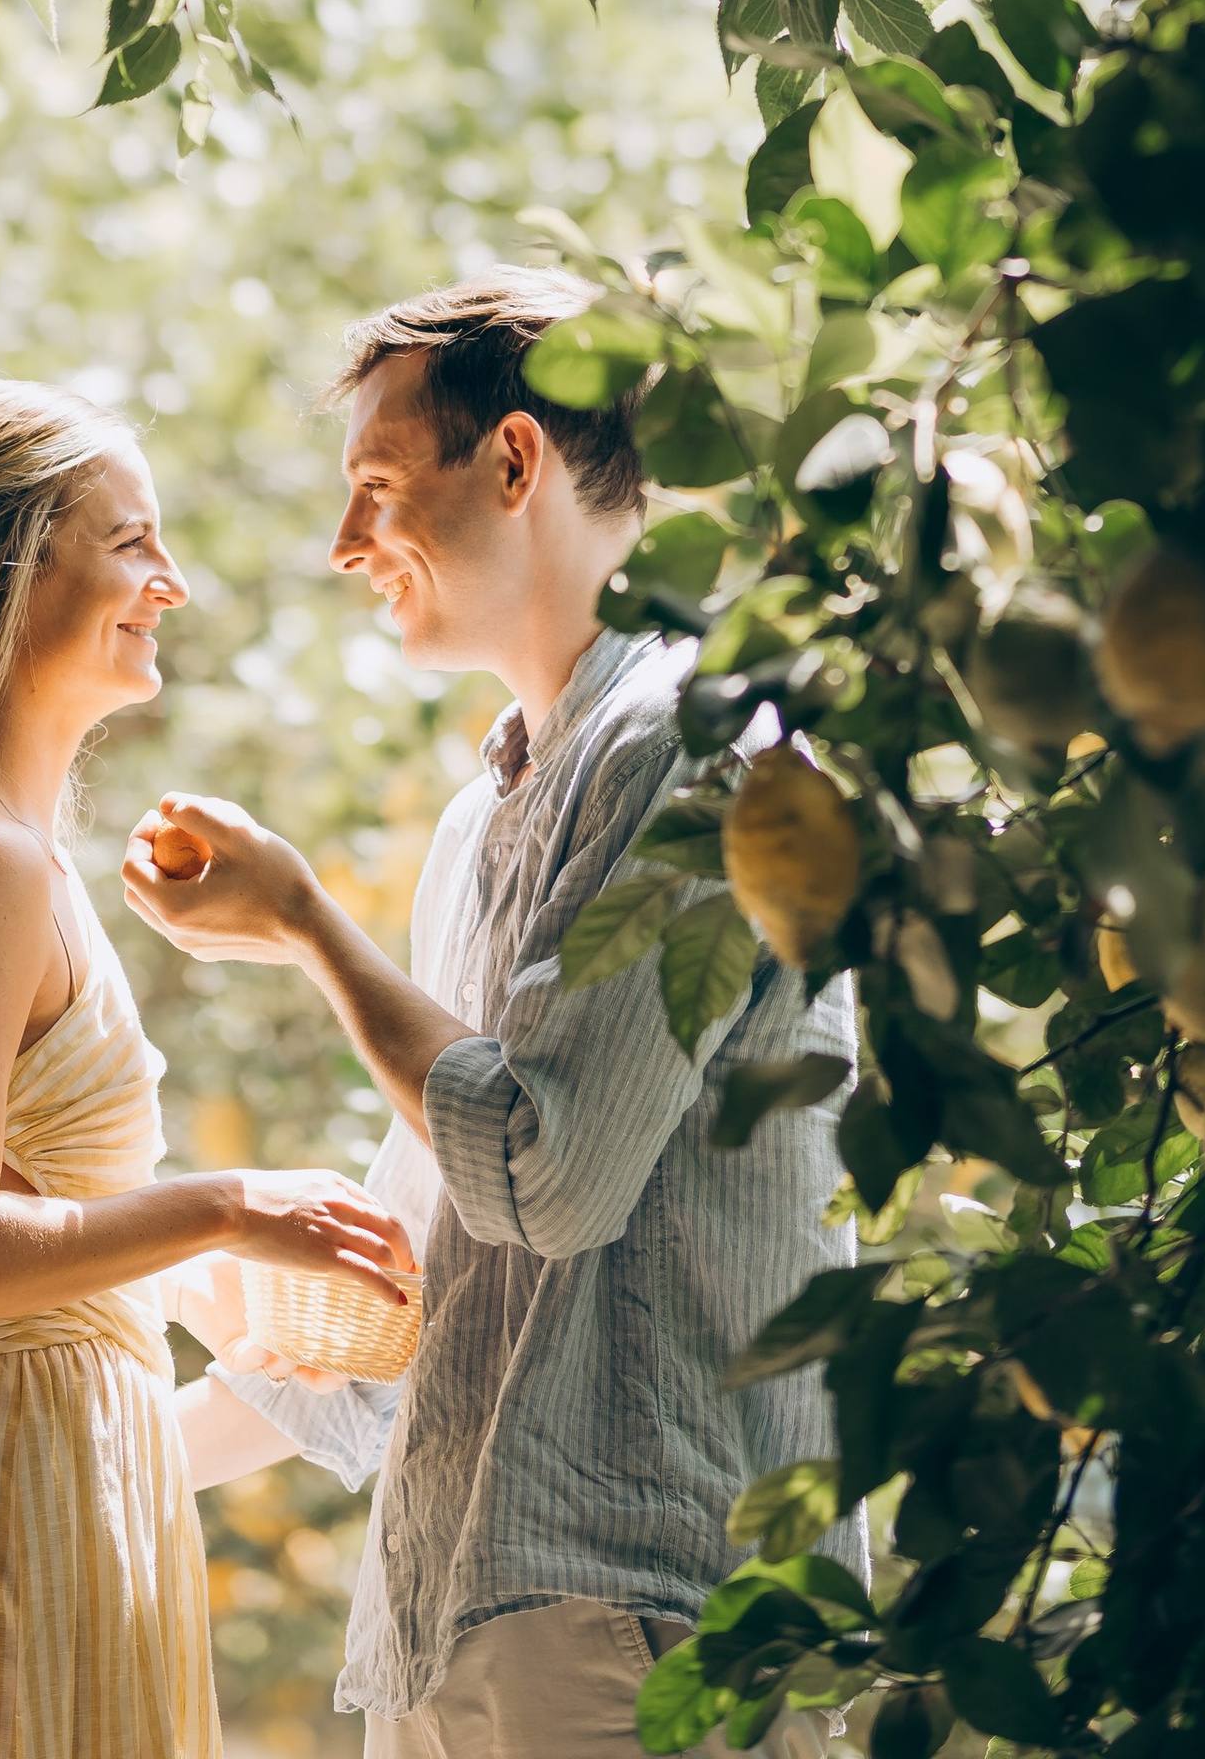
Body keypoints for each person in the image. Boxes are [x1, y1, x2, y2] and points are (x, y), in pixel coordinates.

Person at [122, 274, 857, 1759]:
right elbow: (417, 1278)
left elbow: (544, 1176)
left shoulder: (707, 751)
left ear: (516, 463)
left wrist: (307, 925)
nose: (347, 548)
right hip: (462, 1604)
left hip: (653, 1615)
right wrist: (99, 1458)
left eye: (377, 488)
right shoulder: (487, 819)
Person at [0, 381, 410, 1759]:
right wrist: (226, 1209)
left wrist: (212, 1288)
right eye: (133, 541)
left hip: (52, 1464)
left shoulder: (11, 859)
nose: (174, 581)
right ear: (5, 563)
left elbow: (35, 1202)